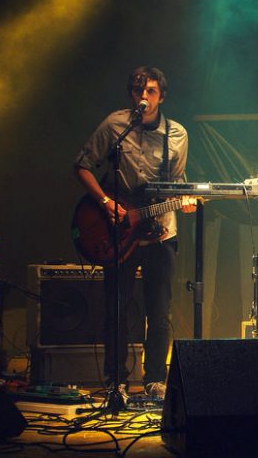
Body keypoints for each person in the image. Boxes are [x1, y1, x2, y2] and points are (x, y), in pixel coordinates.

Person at [74, 66, 195, 399]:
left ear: (162, 96)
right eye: (138, 91)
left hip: (160, 231)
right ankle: (116, 380)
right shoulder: (115, 125)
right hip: (119, 231)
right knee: (117, 309)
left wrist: (185, 200)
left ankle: (155, 379)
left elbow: (178, 183)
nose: (144, 97)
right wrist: (105, 202)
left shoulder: (177, 134)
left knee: (159, 312)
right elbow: (82, 165)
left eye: (151, 91)